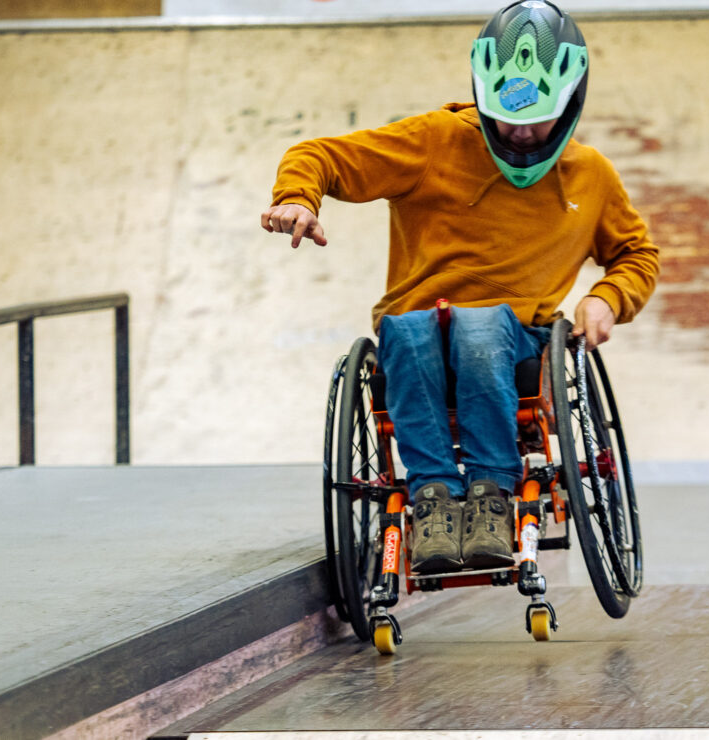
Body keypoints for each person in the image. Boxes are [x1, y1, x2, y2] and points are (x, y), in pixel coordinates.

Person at [261, 0, 659, 575]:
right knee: (406, 328)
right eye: (506, 116)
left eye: (537, 119)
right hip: (417, 328)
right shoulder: (436, 140)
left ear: (571, 103)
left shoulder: (591, 175)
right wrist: (299, 196)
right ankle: (434, 503)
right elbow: (319, 155)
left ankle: (492, 494)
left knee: (479, 323)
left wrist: (606, 298)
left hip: (519, 335)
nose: (521, 132)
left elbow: (635, 254)